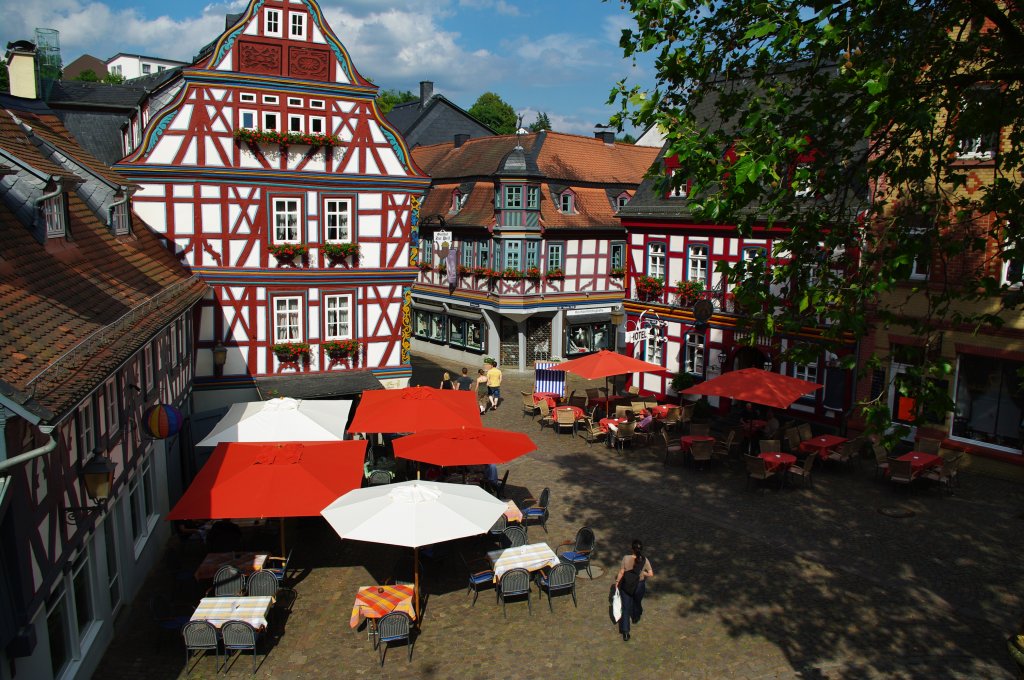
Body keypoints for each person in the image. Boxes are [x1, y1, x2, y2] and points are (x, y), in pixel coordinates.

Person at [615, 539, 653, 641]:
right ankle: (636, 617)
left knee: (625, 608)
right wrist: (642, 573)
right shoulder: (644, 560)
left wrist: (617, 582)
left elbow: (621, 572)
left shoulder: (626, 558)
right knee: (637, 602)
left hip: (626, 586)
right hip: (639, 585)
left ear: (632, 548)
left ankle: (626, 632)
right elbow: (650, 573)